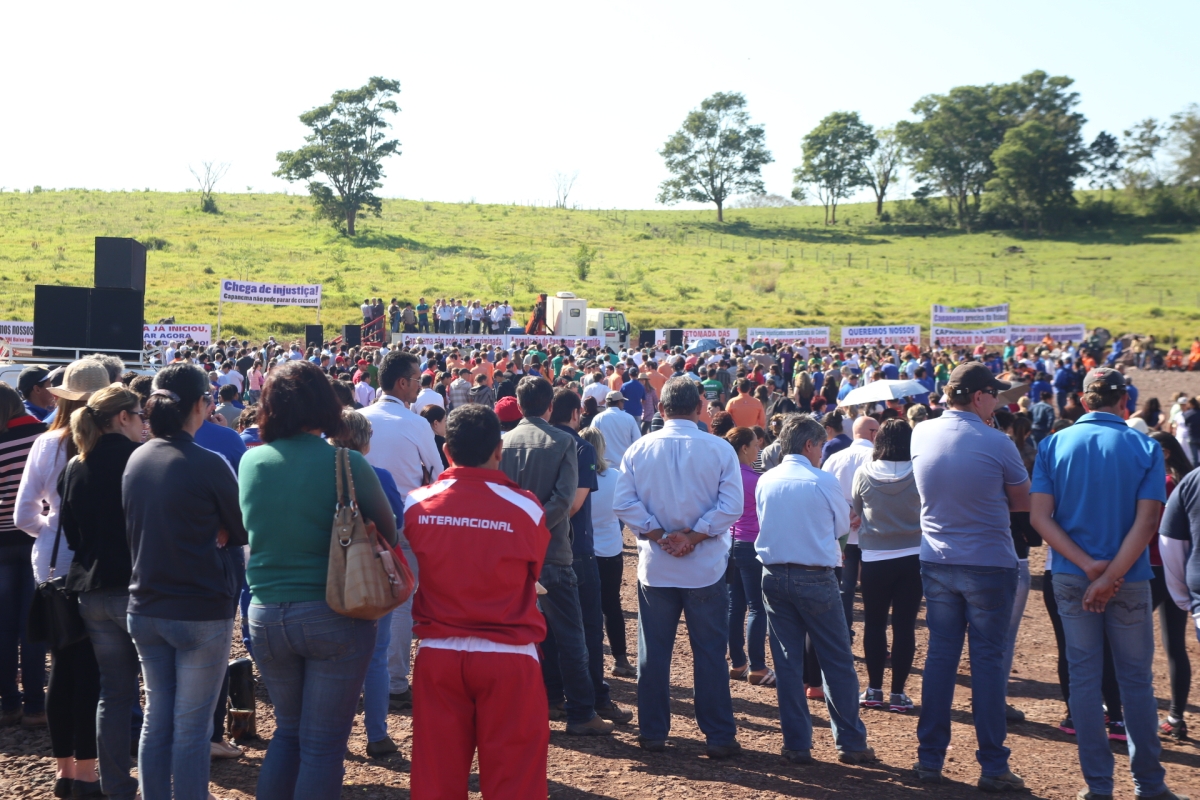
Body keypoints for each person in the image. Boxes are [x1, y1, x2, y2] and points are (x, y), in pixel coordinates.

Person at [240, 361, 398, 796]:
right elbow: (391, 532)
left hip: (266, 612)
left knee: (288, 732)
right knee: (323, 744)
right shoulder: (345, 463)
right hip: (336, 611)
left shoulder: (251, 461)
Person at [1031, 367, 1186, 800]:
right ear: (1126, 402)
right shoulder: (1144, 446)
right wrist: (1113, 572)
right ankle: (1150, 784)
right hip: (1131, 579)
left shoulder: (1053, 444)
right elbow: (1148, 520)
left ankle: (1098, 785)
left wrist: (1089, 567)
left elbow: (1041, 517)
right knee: (1136, 680)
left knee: (1083, 679)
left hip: (1070, 575)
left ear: (1083, 401)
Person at [402, 404, 551, 796]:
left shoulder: (416, 504)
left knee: (436, 776)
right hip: (510, 656)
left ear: (447, 450)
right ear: (499, 449)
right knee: (515, 779)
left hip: (439, 653)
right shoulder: (527, 507)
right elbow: (533, 571)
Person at [123, 363, 248, 800]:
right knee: (191, 727)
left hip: (145, 604)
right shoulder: (209, 463)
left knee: (158, 719)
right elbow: (241, 529)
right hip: (199, 610)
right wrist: (220, 529)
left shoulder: (136, 456)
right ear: (200, 405)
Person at [910, 362, 1029, 791]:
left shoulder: (921, 432)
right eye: (994, 395)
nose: (998, 401)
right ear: (979, 396)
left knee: (940, 660)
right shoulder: (998, 442)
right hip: (988, 562)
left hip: (937, 559)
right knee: (988, 664)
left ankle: (929, 759)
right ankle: (993, 765)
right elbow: (1021, 503)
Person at [614, 378, 742, 757]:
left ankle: (653, 732)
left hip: (658, 566)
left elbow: (624, 504)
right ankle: (718, 735)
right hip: (704, 567)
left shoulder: (639, 448)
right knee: (709, 653)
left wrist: (658, 534)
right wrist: (694, 537)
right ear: (700, 407)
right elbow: (731, 507)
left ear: (663, 408)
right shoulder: (719, 449)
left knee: (654, 654)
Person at [754, 414, 876, 766]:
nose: (822, 451)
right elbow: (840, 524)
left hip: (774, 575)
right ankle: (850, 743)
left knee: (788, 662)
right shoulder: (821, 480)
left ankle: (797, 743)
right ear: (809, 445)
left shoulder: (768, 479)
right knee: (837, 660)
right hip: (815, 575)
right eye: (820, 445)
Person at [500, 377, 612, 736]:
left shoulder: (502, 442)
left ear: (519, 404)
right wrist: (533, 524)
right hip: (552, 551)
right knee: (571, 636)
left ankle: (531, 704)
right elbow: (564, 501)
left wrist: (517, 527)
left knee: (518, 634)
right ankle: (581, 712)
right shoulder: (564, 441)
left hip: (512, 551)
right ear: (550, 405)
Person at [57, 384, 144, 800]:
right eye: (140, 414)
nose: (145, 421)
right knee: (161, 692)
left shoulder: (77, 464)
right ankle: (165, 781)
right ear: (122, 417)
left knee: (113, 692)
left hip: (90, 590)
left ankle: (114, 785)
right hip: (136, 587)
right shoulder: (139, 461)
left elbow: (72, 536)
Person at [359, 351, 443, 711]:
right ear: (401, 383)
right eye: (418, 380)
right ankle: (393, 681)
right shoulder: (417, 424)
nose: (421, 386)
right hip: (403, 523)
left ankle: (364, 676)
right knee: (400, 603)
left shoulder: (358, 418)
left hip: (358, 522)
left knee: (354, 594)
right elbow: (439, 476)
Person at [543, 389, 632, 725]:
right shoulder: (580, 447)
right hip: (576, 549)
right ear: (576, 413)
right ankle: (594, 700)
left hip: (541, 548)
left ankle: (553, 696)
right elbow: (575, 505)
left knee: (550, 628)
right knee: (589, 629)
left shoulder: (533, 442)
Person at [852, 419, 922, 714]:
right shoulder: (919, 472)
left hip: (875, 558)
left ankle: (874, 688)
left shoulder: (864, 472)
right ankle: (898, 693)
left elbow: (857, 507)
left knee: (875, 623)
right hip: (913, 556)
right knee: (904, 625)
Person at [579, 426, 634, 677]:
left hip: (583, 548)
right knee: (611, 605)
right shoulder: (615, 477)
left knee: (581, 607)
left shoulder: (575, 477)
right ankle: (620, 659)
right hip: (610, 549)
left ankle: (584, 659)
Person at [1150, 431, 1193, 741]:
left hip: (1154, 568)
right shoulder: (1189, 480)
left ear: (1164, 452)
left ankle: (1114, 709)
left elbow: (1154, 530)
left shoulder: (1164, 483)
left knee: (1120, 643)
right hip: (1181, 570)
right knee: (1175, 645)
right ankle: (1176, 716)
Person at [821, 416, 880, 634]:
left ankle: (844, 636)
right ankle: (875, 642)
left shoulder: (834, 459)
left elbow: (823, 493)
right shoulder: (877, 457)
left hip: (841, 532)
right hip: (871, 533)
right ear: (874, 433)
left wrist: (845, 514)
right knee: (873, 592)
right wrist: (861, 512)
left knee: (845, 589)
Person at [724, 427, 773, 686]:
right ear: (744, 447)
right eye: (755, 445)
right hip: (753, 544)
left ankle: (738, 662)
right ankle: (758, 666)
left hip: (732, 543)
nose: (758, 449)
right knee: (757, 607)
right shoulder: (756, 479)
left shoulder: (726, 476)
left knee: (735, 607)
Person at [590, 390, 642, 468]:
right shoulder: (629, 418)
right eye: (623, 402)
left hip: (604, 467)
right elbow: (638, 442)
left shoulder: (598, 418)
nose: (623, 404)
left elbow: (592, 441)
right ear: (618, 402)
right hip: (624, 466)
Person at [419, 404, 450, 469]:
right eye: (445, 421)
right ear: (436, 423)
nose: (447, 424)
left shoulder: (418, 441)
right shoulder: (443, 444)